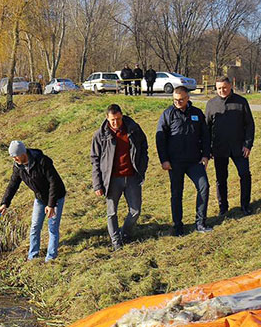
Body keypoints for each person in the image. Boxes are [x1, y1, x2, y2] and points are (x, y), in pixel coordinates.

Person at [90, 104, 149, 251]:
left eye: (118, 119)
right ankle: (116, 241)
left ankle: (124, 234)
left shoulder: (133, 129)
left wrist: (142, 167)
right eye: (112, 120)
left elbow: (144, 147)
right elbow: (95, 160)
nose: (115, 123)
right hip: (111, 179)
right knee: (112, 212)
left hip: (132, 177)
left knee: (135, 211)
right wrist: (97, 185)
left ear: (122, 115)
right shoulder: (100, 135)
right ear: (107, 118)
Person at [156, 86, 212, 235]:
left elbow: (205, 136)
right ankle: (178, 226)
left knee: (204, 187)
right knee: (176, 193)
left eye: (181, 99)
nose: (178, 102)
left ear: (188, 98)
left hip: (194, 161)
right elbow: (160, 139)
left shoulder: (197, 114)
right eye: (175, 100)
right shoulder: (168, 114)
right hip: (175, 163)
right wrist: (164, 160)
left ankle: (200, 223)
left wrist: (205, 155)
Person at [0, 141, 66, 260]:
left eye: (15, 156)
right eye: (12, 157)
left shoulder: (42, 161)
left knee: (53, 227)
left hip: (55, 197)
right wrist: (5, 203)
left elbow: (53, 183)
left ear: (23, 153)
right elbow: (12, 185)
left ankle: (50, 257)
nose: (14, 159)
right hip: (40, 198)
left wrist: (51, 205)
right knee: (35, 226)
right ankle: (32, 256)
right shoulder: (18, 167)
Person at [205, 75, 255, 216]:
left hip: (239, 147)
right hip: (219, 148)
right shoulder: (211, 104)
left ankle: (245, 205)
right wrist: (208, 149)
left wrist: (248, 145)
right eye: (219, 88)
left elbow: (250, 125)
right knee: (221, 179)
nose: (222, 90)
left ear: (231, 85)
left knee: (245, 175)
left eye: (225, 87)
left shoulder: (241, 102)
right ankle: (223, 207)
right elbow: (206, 128)